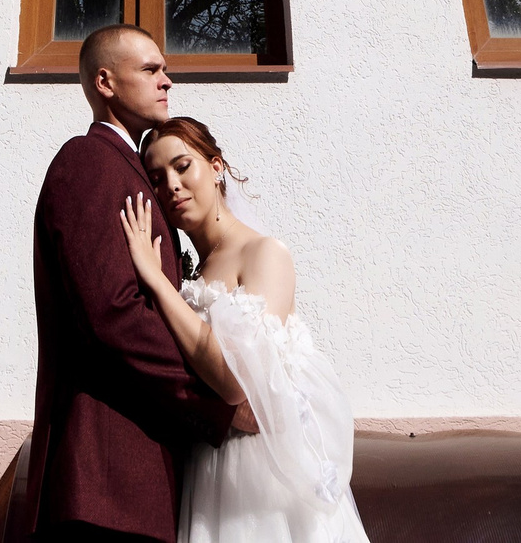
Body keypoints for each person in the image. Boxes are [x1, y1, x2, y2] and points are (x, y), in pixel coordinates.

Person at [18, 25, 254, 543]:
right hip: (110, 485)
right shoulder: (89, 163)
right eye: (150, 70)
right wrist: (218, 407)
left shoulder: (128, 171)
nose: (167, 81)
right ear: (105, 82)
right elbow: (115, 316)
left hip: (137, 483)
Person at [118, 117, 373, 543]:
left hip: (262, 478)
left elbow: (236, 384)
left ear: (216, 167)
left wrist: (157, 283)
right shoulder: (189, 273)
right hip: (206, 465)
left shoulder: (264, 253)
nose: (172, 186)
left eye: (183, 166)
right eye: (157, 179)